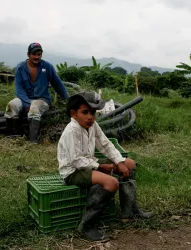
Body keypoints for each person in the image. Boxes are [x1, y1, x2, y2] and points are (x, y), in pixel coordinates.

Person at [57, 91, 154, 241]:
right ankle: (87, 225)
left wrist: (120, 163)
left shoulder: (92, 125)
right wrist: (101, 167)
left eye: (93, 113)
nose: (90, 117)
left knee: (130, 164)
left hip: (89, 165)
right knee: (111, 182)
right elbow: (76, 160)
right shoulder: (72, 130)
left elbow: (105, 144)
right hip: (73, 171)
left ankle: (130, 212)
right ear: (73, 114)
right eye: (85, 112)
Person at [4, 42, 69, 143]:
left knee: (34, 108)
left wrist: (69, 100)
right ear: (28, 54)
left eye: (39, 54)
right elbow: (19, 90)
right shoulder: (20, 68)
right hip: (24, 98)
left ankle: (33, 140)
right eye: (34, 54)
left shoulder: (47, 67)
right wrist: (26, 105)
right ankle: (13, 136)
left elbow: (58, 85)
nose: (36, 57)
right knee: (11, 105)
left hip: (42, 99)